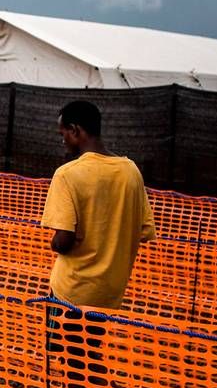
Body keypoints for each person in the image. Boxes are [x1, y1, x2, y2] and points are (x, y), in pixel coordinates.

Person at [41, 100, 155, 310]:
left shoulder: (67, 174)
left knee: (60, 345)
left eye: (63, 134)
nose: (63, 141)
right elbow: (143, 231)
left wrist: (54, 244)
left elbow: (63, 241)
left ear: (75, 130)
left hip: (71, 293)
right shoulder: (131, 172)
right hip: (108, 296)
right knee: (89, 344)